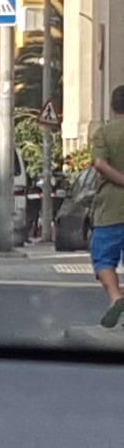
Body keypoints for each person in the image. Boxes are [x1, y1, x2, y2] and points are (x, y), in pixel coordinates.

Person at [93, 86, 124, 328]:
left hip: (110, 208)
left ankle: (116, 298)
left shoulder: (105, 133)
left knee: (104, 259)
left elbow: (100, 164)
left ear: (113, 107)